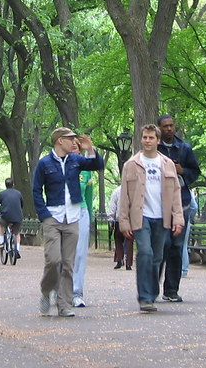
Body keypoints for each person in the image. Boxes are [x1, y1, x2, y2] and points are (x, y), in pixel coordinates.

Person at [32, 126, 103, 318]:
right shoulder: (44, 164)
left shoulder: (75, 160)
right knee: (54, 260)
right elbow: (36, 190)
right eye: (70, 138)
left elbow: (97, 165)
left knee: (68, 264)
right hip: (53, 217)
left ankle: (64, 303)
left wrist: (90, 150)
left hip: (73, 217)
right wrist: (44, 215)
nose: (74, 142)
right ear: (59, 141)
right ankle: (46, 292)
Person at [118, 124, 184, 313]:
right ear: (141, 139)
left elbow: (176, 194)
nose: (147, 141)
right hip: (141, 217)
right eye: (145, 137)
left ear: (158, 140)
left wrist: (177, 219)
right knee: (145, 253)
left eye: (151, 138)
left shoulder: (167, 164)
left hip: (161, 217)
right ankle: (145, 297)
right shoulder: (131, 164)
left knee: (157, 257)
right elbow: (125, 196)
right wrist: (124, 221)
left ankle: (152, 292)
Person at [155, 114, 200, 303]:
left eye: (171, 125)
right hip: (158, 204)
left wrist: (183, 171)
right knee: (159, 247)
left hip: (181, 203)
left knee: (176, 246)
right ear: (159, 128)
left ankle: (171, 290)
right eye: (165, 126)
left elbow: (195, 172)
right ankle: (151, 289)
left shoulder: (184, 148)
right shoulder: (153, 149)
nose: (169, 129)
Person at [70, 137, 95, 307]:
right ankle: (60, 288)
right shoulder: (57, 166)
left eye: (76, 146)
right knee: (62, 254)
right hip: (63, 212)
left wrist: (89, 220)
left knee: (79, 254)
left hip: (82, 211)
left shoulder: (86, 171)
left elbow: (89, 196)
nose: (73, 147)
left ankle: (77, 292)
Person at [0, 178, 23, 258]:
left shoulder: (2, 194)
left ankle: (1, 240)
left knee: (0, 224)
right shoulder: (18, 193)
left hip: (5, 216)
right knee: (17, 233)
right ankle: (17, 250)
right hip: (17, 216)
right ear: (13, 185)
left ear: (5, 185)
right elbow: (21, 204)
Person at [107, 184, 132, 271]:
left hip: (119, 219)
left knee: (118, 240)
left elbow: (112, 206)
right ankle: (128, 263)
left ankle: (119, 259)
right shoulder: (134, 189)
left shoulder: (117, 191)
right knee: (129, 240)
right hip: (130, 219)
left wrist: (111, 219)